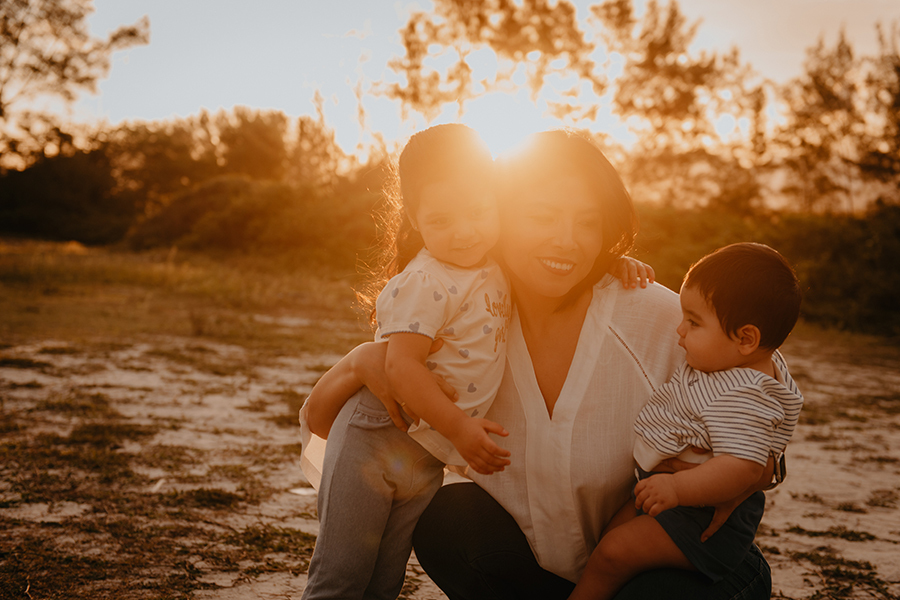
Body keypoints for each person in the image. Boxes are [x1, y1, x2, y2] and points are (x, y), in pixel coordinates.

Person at [303, 129, 774, 600]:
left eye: (587, 223)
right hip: (551, 572)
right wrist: (361, 360)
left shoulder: (656, 315)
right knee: (445, 519)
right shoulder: (471, 321)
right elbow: (320, 421)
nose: (566, 241)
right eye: (542, 217)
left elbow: (761, 365)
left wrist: (758, 464)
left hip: (677, 562)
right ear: (499, 215)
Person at [568, 242, 803, 600]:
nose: (679, 330)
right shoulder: (743, 361)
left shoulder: (745, 394)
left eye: (693, 322)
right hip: (674, 496)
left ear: (746, 338)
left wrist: (678, 489)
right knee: (607, 543)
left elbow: (742, 468)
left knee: (614, 552)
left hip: (702, 515)